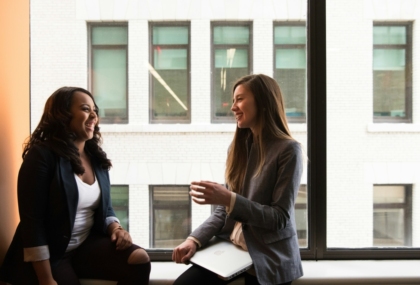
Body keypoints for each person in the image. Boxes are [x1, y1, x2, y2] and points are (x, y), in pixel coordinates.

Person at [0, 87, 150, 285]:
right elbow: (32, 223)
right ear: (62, 114)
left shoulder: (96, 158)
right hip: (50, 256)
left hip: (83, 247)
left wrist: (116, 228)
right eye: (86, 109)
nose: (94, 115)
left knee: (139, 260)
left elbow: (105, 208)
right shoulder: (42, 156)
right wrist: (46, 279)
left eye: (95, 110)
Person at [172, 74, 304, 285]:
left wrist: (230, 199)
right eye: (234, 100)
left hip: (268, 254)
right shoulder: (238, 148)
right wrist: (193, 240)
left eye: (240, 99)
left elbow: (279, 218)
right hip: (232, 250)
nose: (233, 107)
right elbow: (224, 210)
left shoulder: (289, 150)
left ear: (262, 102)